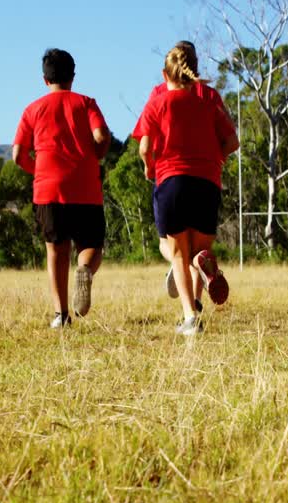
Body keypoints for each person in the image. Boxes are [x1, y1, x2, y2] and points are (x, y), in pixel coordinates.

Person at [135, 45, 240, 335]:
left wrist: (149, 166)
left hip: (172, 182)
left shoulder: (158, 102)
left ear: (164, 74)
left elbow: (145, 147)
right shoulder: (210, 102)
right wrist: (213, 159)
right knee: (199, 249)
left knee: (179, 255)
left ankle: (190, 318)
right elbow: (233, 142)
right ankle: (201, 269)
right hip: (207, 183)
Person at [12, 48, 111, 328]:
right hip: (85, 187)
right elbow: (101, 136)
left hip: (48, 189)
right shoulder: (86, 103)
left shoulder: (33, 109)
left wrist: (38, 170)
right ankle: (85, 270)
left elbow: (18, 154)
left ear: (45, 79)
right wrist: (97, 155)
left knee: (56, 250)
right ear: (73, 77)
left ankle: (61, 315)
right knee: (91, 246)